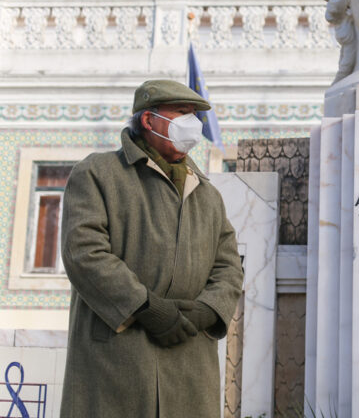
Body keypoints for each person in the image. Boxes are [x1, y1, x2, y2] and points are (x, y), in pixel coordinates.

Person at [60, 79, 244, 417]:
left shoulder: (206, 193)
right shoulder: (98, 173)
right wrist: (147, 307)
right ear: (148, 120)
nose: (193, 123)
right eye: (182, 113)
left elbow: (229, 266)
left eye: (195, 115)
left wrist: (207, 310)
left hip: (190, 356)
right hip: (119, 358)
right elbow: (84, 252)